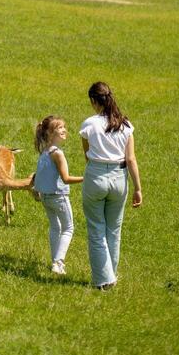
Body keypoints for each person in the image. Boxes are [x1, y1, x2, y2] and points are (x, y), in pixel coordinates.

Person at [79, 82, 142, 290]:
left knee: (96, 229)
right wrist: (137, 188)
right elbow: (131, 159)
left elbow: (87, 155)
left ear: (94, 101)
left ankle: (103, 280)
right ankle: (111, 275)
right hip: (120, 178)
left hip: (96, 175)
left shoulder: (89, 124)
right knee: (114, 229)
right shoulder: (125, 125)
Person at [32, 115, 84, 275]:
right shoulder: (57, 154)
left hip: (46, 197)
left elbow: (39, 175)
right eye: (59, 128)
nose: (64, 130)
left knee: (55, 227)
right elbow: (66, 179)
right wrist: (87, 178)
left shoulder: (44, 152)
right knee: (68, 228)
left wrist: (36, 190)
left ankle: (55, 262)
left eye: (63, 127)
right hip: (58, 197)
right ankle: (58, 262)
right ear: (49, 133)